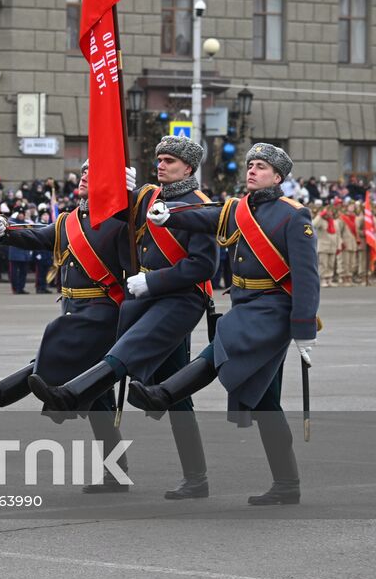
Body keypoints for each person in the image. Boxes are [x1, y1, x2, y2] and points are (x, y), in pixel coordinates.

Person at [30, 138, 218, 500]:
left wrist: (153, 280)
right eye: (159, 159)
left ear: (189, 169)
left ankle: (71, 395)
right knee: (174, 392)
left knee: (132, 363)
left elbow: (202, 265)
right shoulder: (149, 198)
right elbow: (116, 221)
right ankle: (154, 474)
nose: (161, 165)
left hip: (176, 301)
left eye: (170, 161)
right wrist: (118, 189)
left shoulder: (201, 207)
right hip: (145, 301)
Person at [133, 144, 319, 505]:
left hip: (273, 309)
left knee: (223, 345)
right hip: (246, 303)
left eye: (261, 167)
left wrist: (304, 330)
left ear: (278, 177)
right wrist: (167, 217)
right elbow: (206, 217)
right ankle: (287, 484)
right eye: (250, 165)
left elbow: (307, 278)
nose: (252, 171)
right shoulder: (237, 209)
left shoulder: (293, 215)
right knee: (266, 401)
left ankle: (164, 393)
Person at [0, 160, 136, 493]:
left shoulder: (120, 222)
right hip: (75, 308)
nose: (84, 177)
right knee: (98, 399)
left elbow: (135, 268)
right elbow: (37, 234)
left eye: (93, 173)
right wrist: (6, 230)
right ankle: (116, 473)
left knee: (55, 350)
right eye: (83, 173)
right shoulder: (71, 220)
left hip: (103, 311)